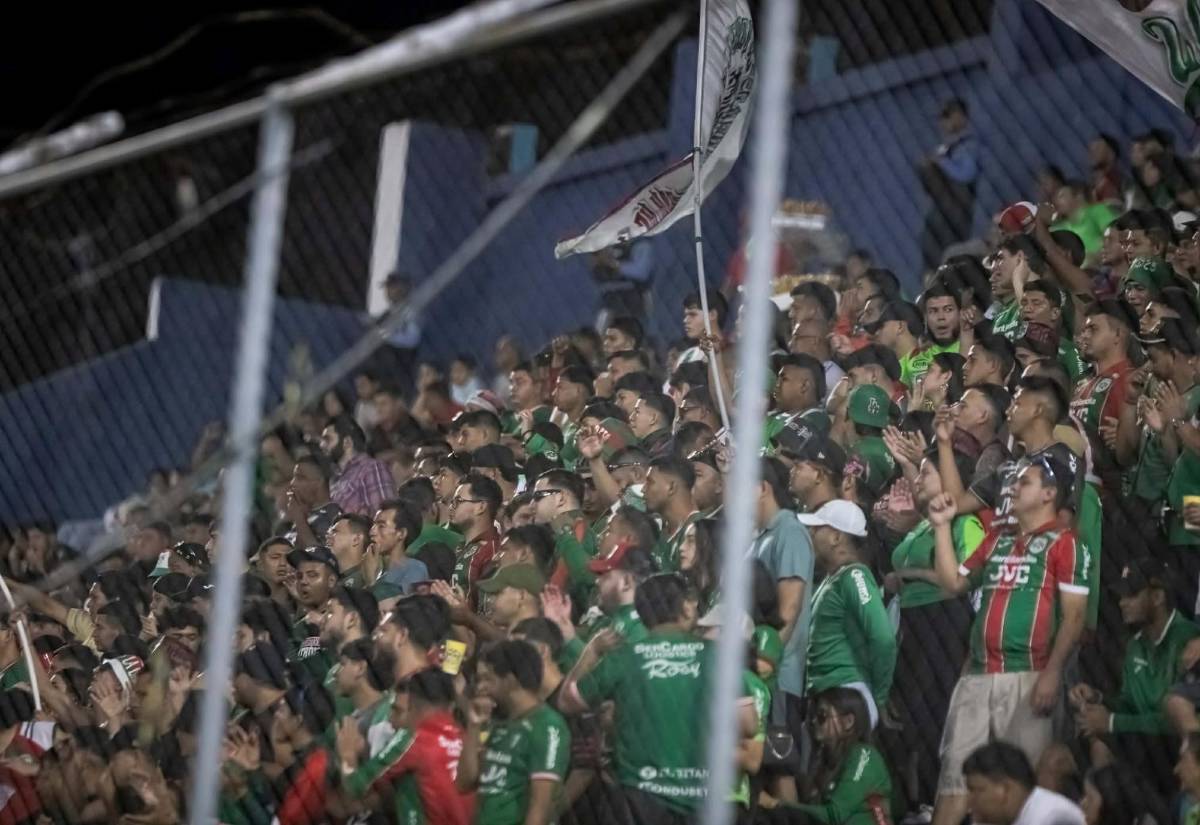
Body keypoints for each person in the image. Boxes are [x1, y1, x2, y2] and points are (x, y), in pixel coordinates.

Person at [927, 455, 1089, 825]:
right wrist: (940, 526)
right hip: (978, 677)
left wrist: (1052, 673)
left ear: (1050, 494)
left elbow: (1075, 617)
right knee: (955, 786)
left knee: (1024, 793)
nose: (1013, 488)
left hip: (1030, 677)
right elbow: (952, 582)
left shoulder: (1066, 544)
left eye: (1025, 482)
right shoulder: (996, 540)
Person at [558, 574, 737, 824]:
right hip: (700, 801)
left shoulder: (625, 658)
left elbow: (567, 701)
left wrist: (591, 652)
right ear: (685, 608)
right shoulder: (718, 657)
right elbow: (743, 720)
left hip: (637, 801)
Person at [887, 452, 983, 805]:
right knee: (913, 724)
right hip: (913, 629)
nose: (918, 478)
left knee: (938, 722)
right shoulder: (923, 526)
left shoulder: (964, 524)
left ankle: (942, 804)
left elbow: (965, 580)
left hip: (945, 626)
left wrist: (909, 576)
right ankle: (921, 805)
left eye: (927, 472)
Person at [1068, 558, 1199, 785]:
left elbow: (1176, 721)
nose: (1122, 603)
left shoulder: (1189, 640)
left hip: (1178, 747)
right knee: (1066, 754)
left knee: (1104, 738)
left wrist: (1111, 723)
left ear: (1157, 597)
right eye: (1121, 596)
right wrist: (1098, 699)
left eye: (1131, 595)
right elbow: (1130, 704)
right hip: (1143, 743)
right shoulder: (1135, 644)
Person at [799, 500, 896, 728]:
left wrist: (879, 697)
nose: (810, 533)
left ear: (836, 538)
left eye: (817, 528)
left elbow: (883, 638)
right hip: (828, 692)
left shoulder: (855, 576)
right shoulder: (833, 578)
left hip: (846, 696)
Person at [336, 668, 472, 825]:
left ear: (412, 706)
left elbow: (355, 786)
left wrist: (347, 755)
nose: (390, 721)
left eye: (397, 711)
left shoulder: (414, 738)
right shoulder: (466, 738)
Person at [461, 639, 571, 825]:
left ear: (510, 680)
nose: (481, 687)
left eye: (488, 678)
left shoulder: (548, 726)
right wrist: (473, 725)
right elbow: (464, 783)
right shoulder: (499, 724)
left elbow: (540, 808)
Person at [751, 458, 816, 739]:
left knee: (778, 767)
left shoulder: (789, 531)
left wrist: (766, 663)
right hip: (756, 673)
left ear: (761, 488)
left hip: (777, 678)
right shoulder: (760, 537)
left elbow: (789, 608)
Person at [766, 687, 893, 824]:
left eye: (822, 716)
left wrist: (775, 804)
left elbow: (835, 815)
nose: (814, 721)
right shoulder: (824, 760)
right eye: (815, 715)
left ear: (848, 722)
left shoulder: (864, 755)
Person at [918, 98, 979, 269]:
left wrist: (940, 162)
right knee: (930, 249)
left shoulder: (968, 145)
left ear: (961, 116)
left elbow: (966, 174)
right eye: (942, 117)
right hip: (941, 209)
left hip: (956, 211)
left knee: (950, 254)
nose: (943, 122)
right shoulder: (946, 146)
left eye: (947, 116)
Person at [961, 742, 1084, 825]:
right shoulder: (993, 820)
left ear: (1004, 789)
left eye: (976, 790)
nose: (969, 801)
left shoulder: (1054, 818)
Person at [321, 415, 397, 517]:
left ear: (347, 442)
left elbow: (385, 516)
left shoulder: (371, 468)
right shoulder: (334, 479)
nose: (322, 445)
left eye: (328, 439)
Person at [447, 473, 502, 601]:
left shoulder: (493, 551)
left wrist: (466, 617)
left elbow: (489, 615)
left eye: (458, 501)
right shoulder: (459, 547)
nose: (452, 507)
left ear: (481, 507)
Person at [643, 456, 701, 572]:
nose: (643, 489)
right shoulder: (659, 532)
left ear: (671, 487)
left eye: (650, 482)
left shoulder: (699, 531)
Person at [369, 499, 429, 601]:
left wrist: (371, 580)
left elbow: (401, 609)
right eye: (373, 525)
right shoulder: (373, 568)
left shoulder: (415, 569)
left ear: (401, 533)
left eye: (381, 526)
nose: (372, 531)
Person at [284, 455, 341, 549]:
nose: (292, 483)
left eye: (300, 478)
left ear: (320, 482)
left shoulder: (333, 517)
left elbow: (320, 557)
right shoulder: (305, 514)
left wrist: (299, 518)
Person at [325, 513, 374, 589]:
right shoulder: (330, 581)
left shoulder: (368, 579)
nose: (328, 536)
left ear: (356, 539)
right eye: (329, 533)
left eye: (334, 532)